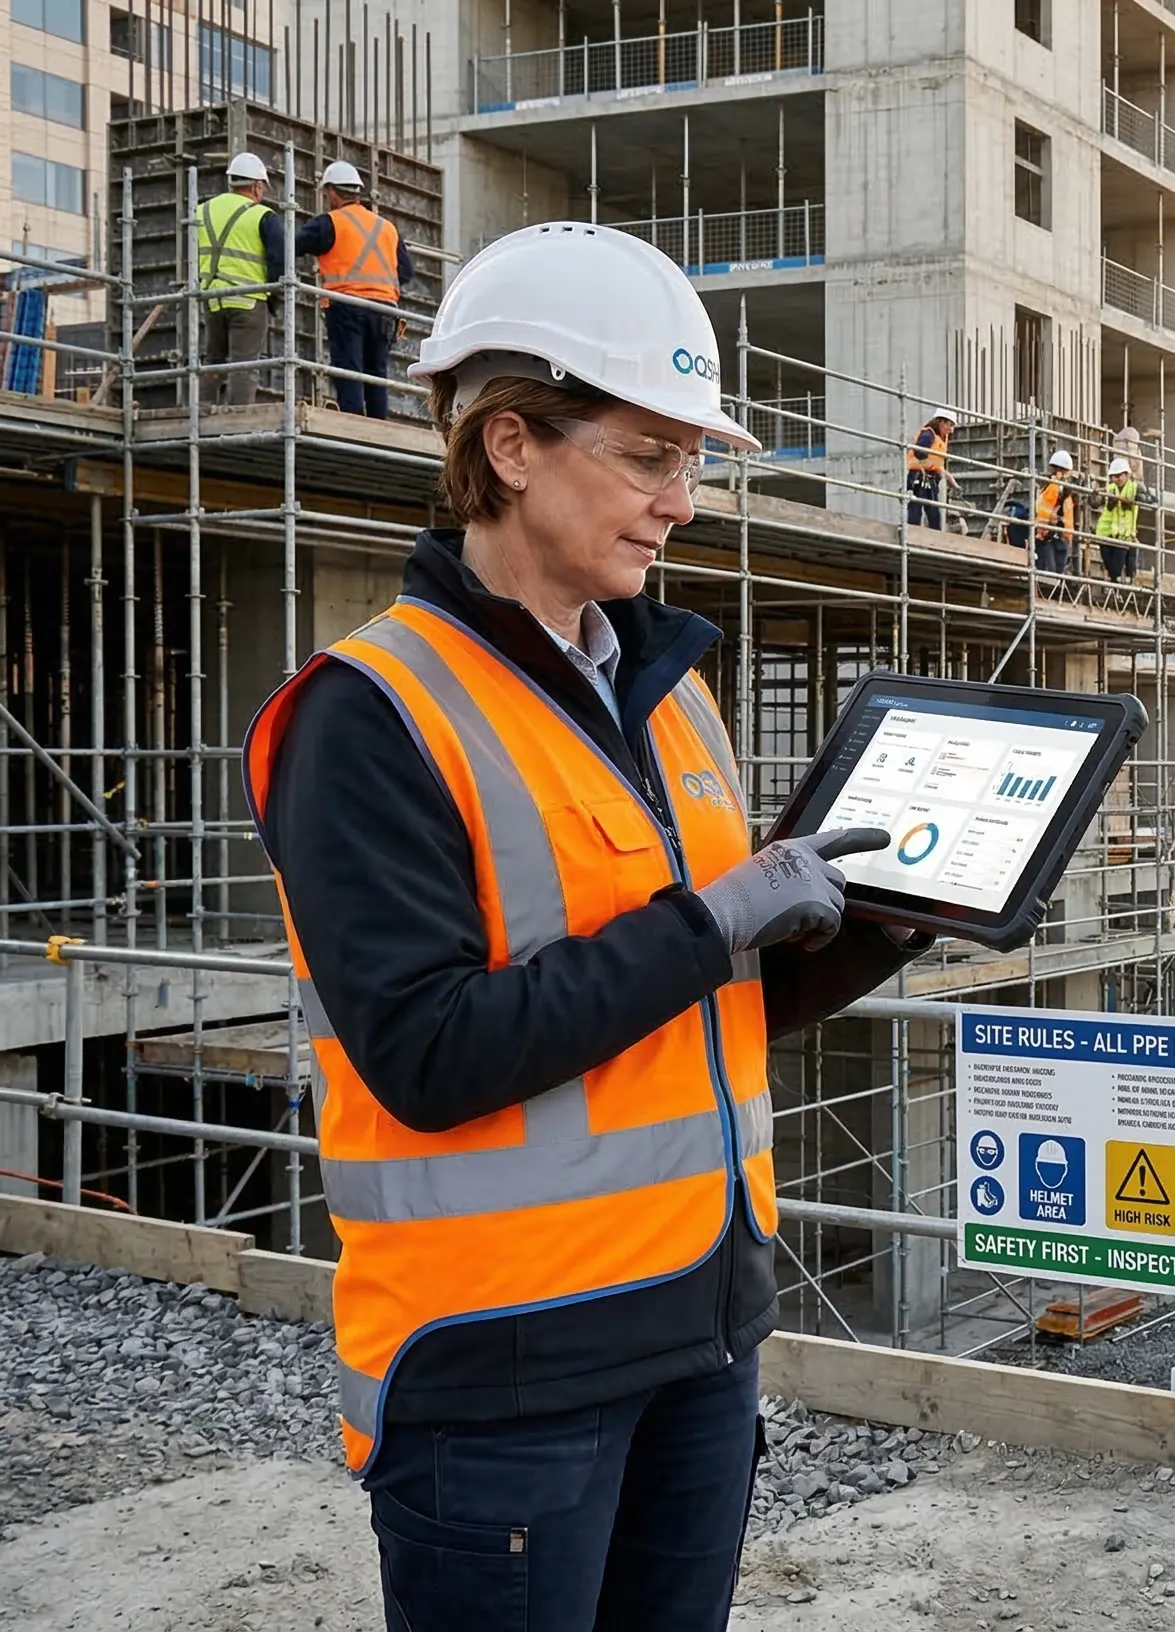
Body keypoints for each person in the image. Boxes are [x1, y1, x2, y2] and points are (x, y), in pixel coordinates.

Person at [244, 221, 933, 1631]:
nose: (681, 499)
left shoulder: (671, 692)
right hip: (501, 1376)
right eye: (646, 453)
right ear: (507, 445)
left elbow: (694, 1009)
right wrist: (712, 916)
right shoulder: (368, 713)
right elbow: (430, 1055)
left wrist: (869, 935)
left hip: (702, 1333)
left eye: (693, 458)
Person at [296, 160, 414, 419]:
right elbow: (405, 272)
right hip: (384, 309)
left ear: (332, 192)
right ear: (358, 192)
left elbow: (292, 246)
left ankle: (353, 421)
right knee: (377, 371)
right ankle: (378, 425)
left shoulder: (329, 223)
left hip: (346, 304)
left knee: (349, 367)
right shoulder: (387, 228)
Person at [196, 152, 288, 407]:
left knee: (213, 361)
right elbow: (280, 262)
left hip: (212, 300)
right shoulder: (262, 215)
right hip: (249, 301)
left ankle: (202, 414)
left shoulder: (201, 211)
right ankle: (236, 418)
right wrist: (275, 299)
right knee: (243, 365)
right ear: (257, 185)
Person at [1094, 454, 1145, 583]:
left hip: (1123, 536)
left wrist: (1130, 501)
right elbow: (1094, 503)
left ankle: (1119, 591)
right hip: (1105, 533)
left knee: (1117, 570)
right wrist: (1096, 494)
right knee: (1110, 568)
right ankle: (1115, 590)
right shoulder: (1109, 489)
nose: (1116, 479)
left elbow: (1148, 500)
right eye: (1113, 476)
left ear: (1127, 475)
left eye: (1119, 476)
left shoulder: (1134, 488)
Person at [904, 410, 954, 532]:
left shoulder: (941, 438)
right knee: (916, 511)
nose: (951, 430)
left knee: (934, 513)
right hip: (918, 476)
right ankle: (912, 536)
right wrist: (931, 467)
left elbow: (937, 462)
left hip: (931, 477)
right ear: (941, 422)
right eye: (950, 425)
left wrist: (947, 477)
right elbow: (919, 451)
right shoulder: (928, 434)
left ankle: (935, 540)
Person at [1033, 447, 1080, 577]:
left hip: (1057, 535)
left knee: (1053, 572)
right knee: (1051, 573)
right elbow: (1045, 512)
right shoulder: (1054, 488)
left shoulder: (1058, 489)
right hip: (1051, 535)